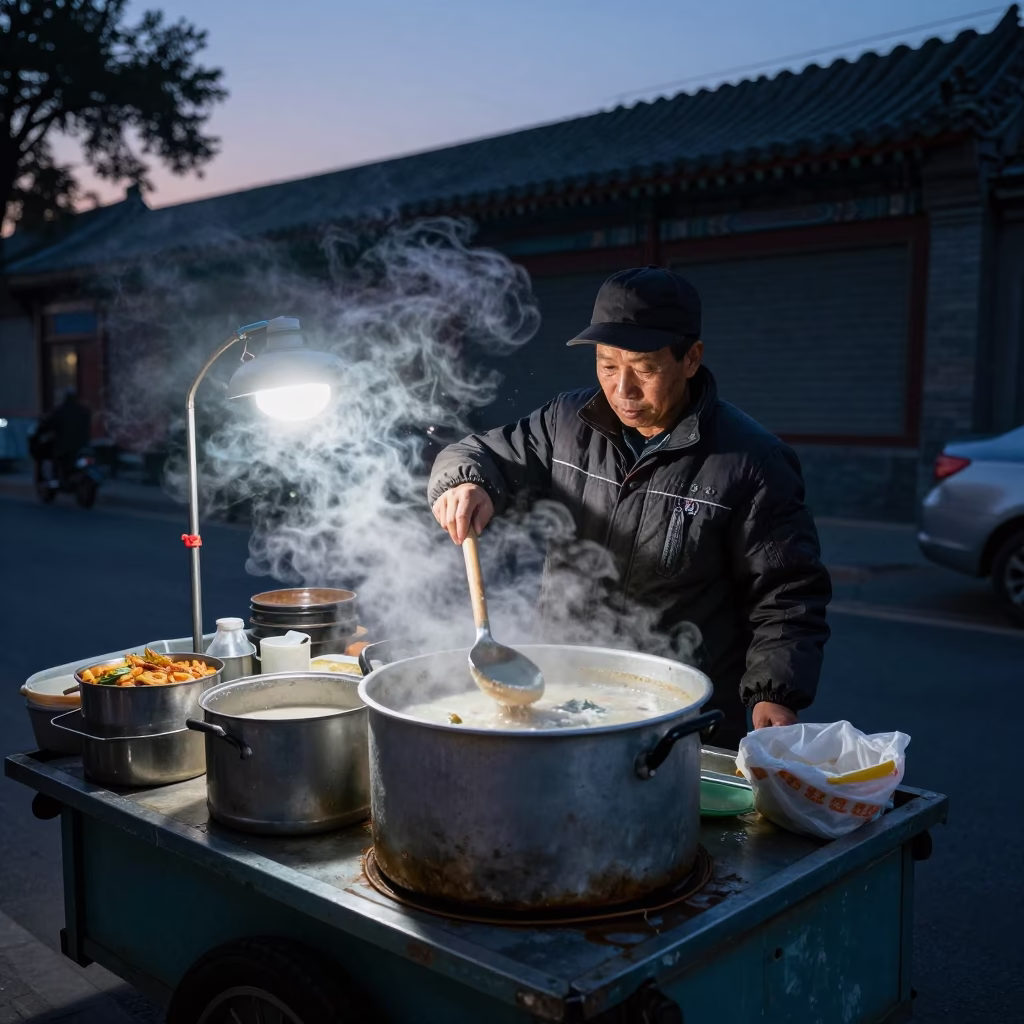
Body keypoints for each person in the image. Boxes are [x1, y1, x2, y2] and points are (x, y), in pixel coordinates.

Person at [428, 266, 831, 748]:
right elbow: (481, 452)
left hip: (681, 715)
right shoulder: (565, 423)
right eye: (607, 364)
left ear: (691, 359)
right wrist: (466, 482)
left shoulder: (752, 461)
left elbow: (786, 592)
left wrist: (775, 691)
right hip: (558, 692)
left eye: (645, 368)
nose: (623, 389)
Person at [32, 390, 92, 487]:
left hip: (64, 447)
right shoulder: (84, 411)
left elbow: (47, 425)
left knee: (52, 457)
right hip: (83, 445)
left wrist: (40, 430)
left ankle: (54, 481)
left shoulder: (60, 411)